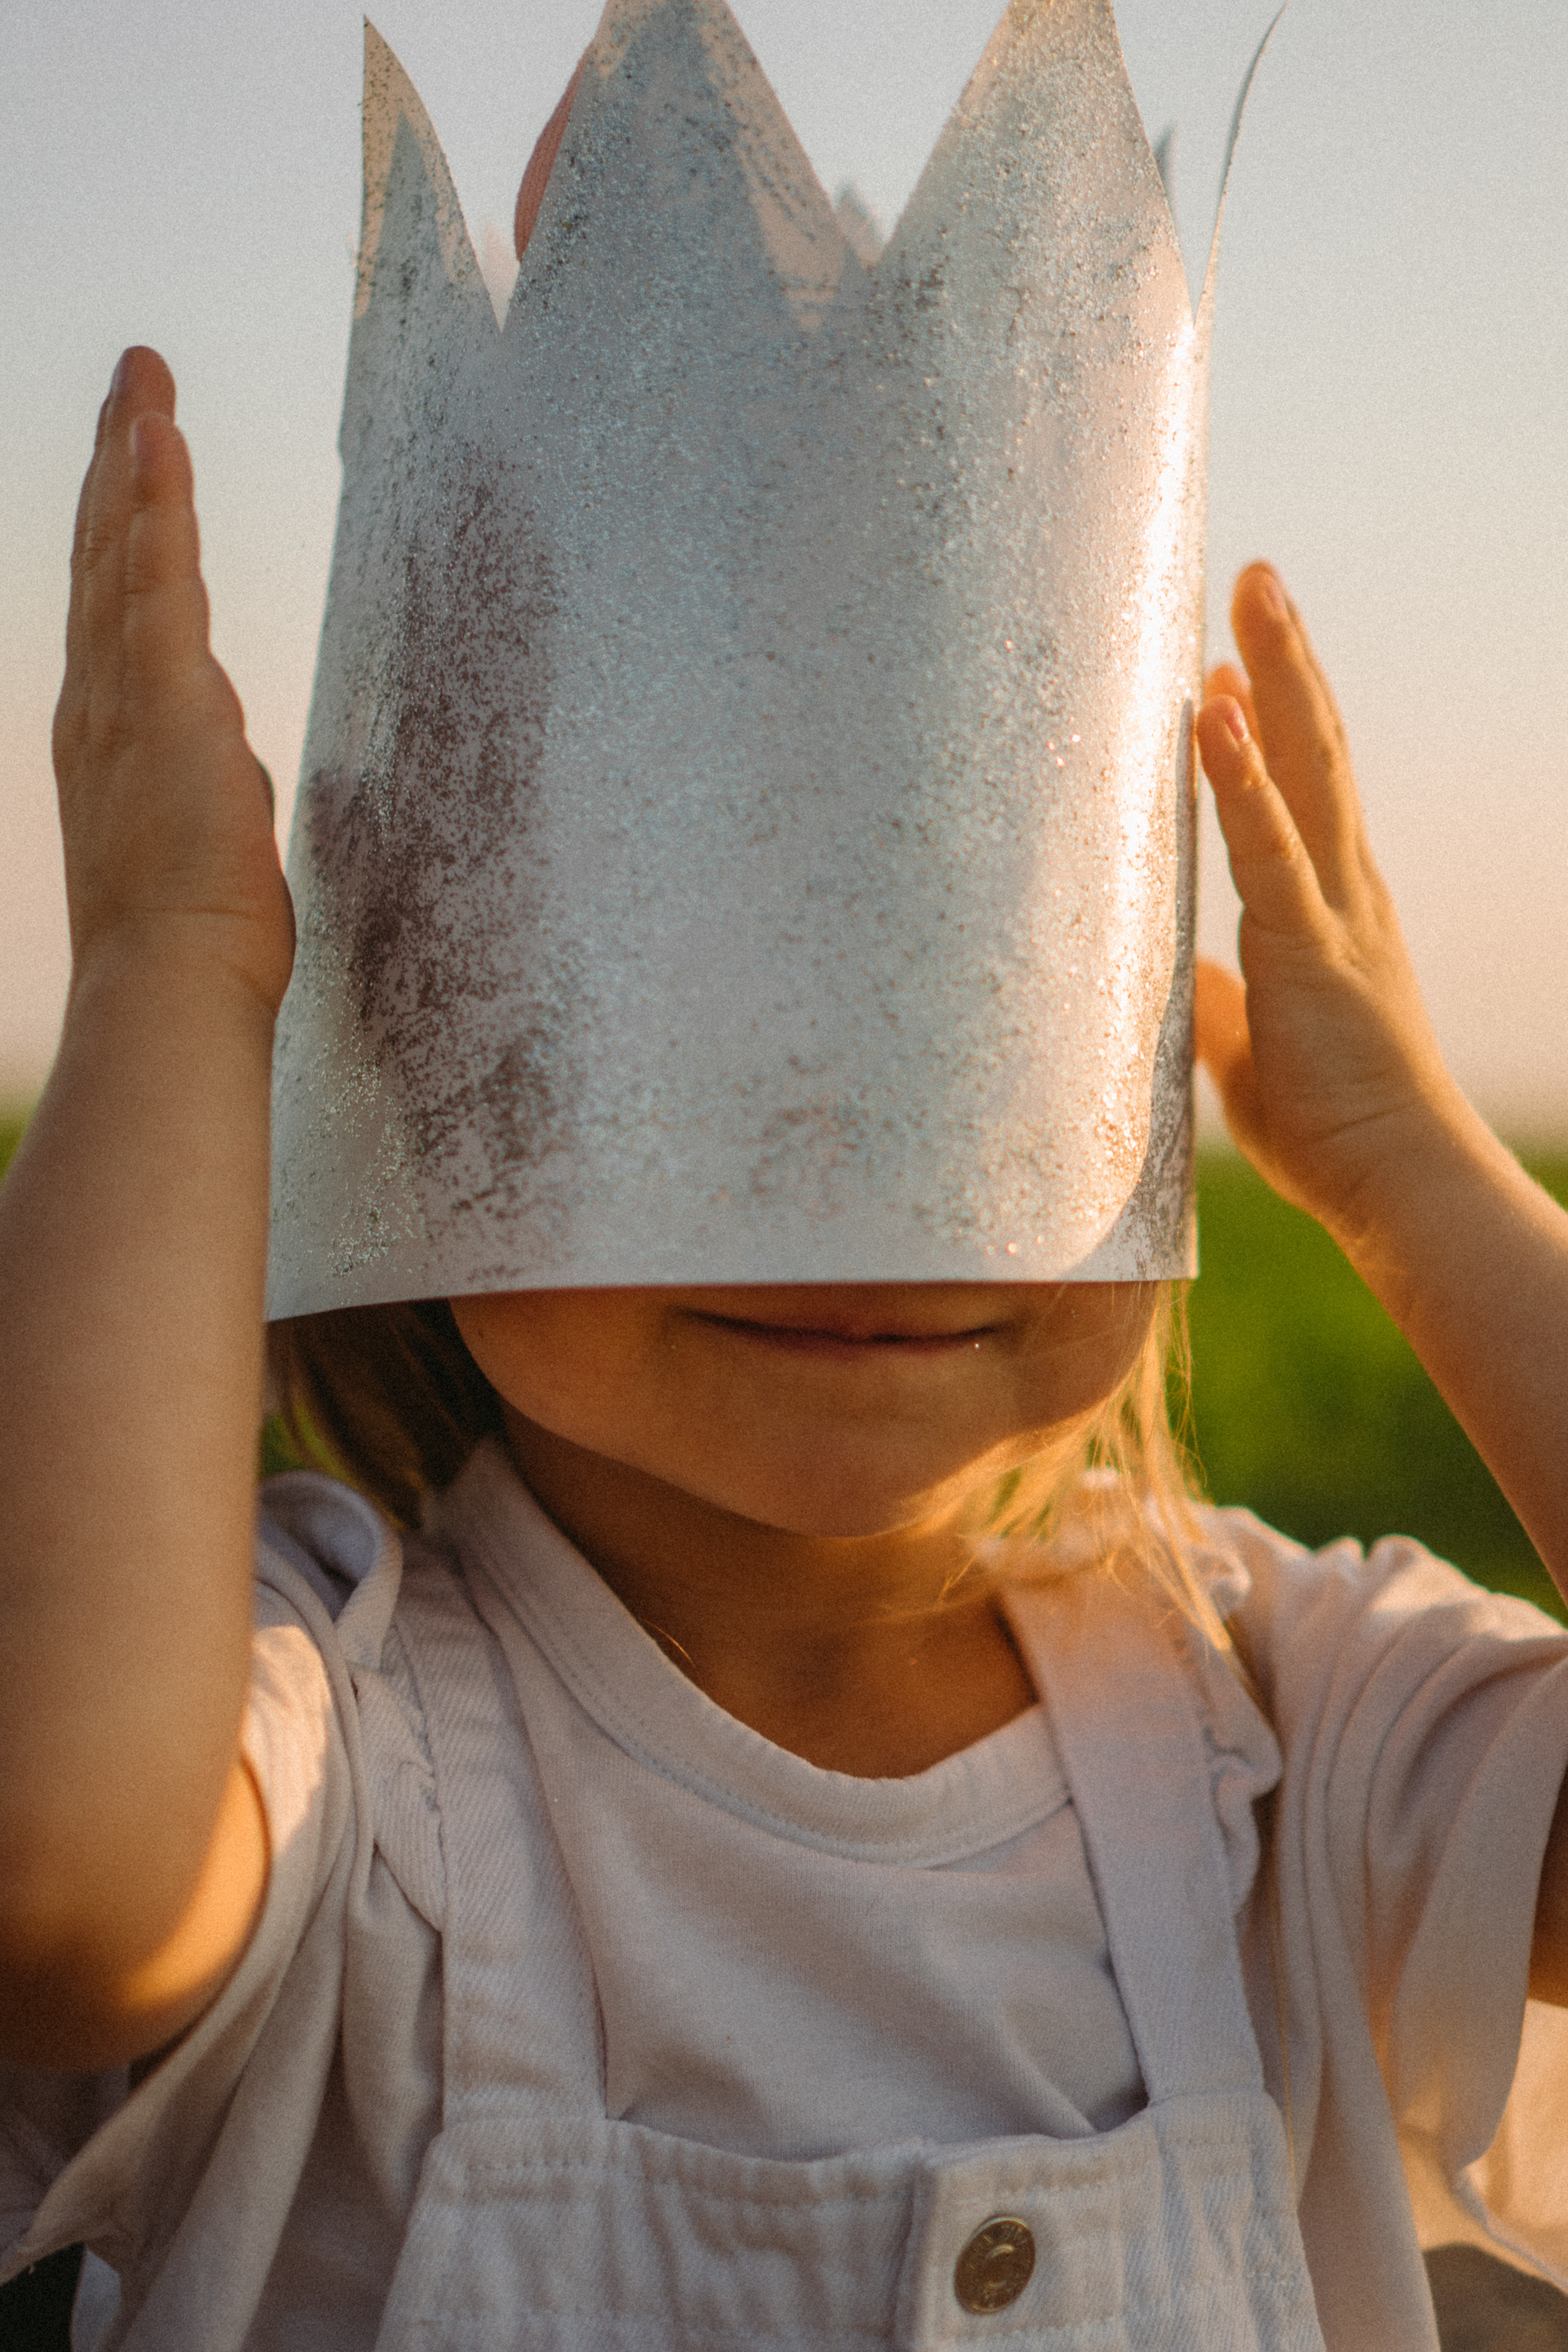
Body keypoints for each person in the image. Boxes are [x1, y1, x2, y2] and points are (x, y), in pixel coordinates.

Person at [3, 337, 1568, 2352]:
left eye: (990, 1000)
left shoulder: (1292, 1734)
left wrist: (1413, 1168)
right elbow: (61, 1872)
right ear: (412, 1046)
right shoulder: (327, 1739)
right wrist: (169, 970)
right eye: (681, 1008)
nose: (854, 1159)